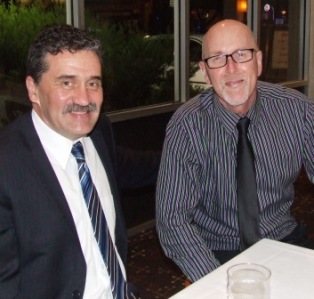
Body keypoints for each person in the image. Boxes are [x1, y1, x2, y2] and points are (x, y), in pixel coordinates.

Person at [156, 19, 314, 283]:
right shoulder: (186, 126)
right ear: (205, 72)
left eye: (241, 54)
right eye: (217, 58)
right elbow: (172, 221)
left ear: (259, 62)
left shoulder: (297, 110)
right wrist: (217, 282)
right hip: (216, 250)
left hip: (283, 238)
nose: (231, 68)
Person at [0, 24, 146, 299]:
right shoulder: (6, 168)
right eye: (67, 83)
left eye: (93, 83)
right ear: (33, 90)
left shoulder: (99, 133)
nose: (84, 99)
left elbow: (136, 165)